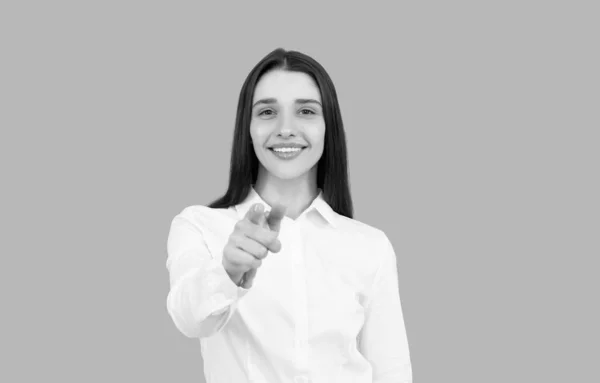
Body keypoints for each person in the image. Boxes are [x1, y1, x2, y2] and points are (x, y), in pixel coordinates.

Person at [165, 48, 412, 383]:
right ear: (247, 128)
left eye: (306, 111)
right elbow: (189, 319)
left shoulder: (371, 246)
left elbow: (391, 371)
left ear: (328, 128)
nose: (285, 129)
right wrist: (227, 271)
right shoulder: (200, 226)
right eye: (267, 112)